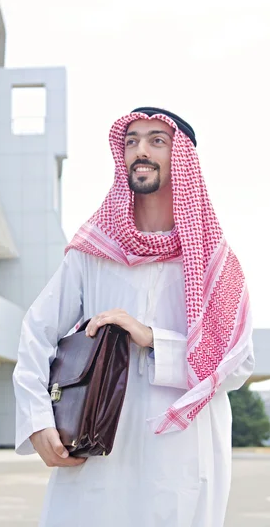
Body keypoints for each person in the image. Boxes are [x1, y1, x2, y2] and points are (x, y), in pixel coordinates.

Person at [13, 107, 254, 527]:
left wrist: (153, 339)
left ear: (183, 159)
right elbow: (37, 332)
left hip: (181, 455)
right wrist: (37, 421)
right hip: (97, 451)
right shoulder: (94, 252)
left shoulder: (216, 263)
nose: (140, 150)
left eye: (156, 140)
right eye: (131, 141)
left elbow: (239, 362)